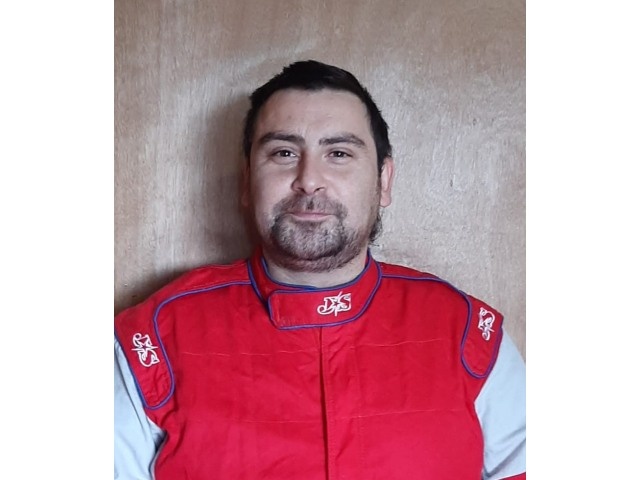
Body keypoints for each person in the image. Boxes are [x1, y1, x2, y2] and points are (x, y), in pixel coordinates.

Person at [114, 60, 526, 480]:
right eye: (284, 153)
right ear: (246, 181)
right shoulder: (153, 340)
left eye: (339, 153)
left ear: (383, 180)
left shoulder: (467, 334)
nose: (309, 180)